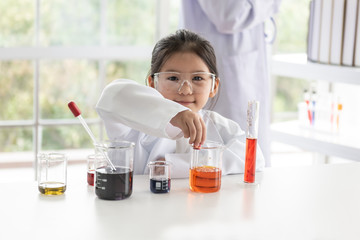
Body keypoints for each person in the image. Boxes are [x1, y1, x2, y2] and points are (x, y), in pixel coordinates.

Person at [96, 29, 264, 178]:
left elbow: (254, 157)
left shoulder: (220, 126)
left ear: (214, 86)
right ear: (152, 83)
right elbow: (111, 96)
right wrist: (173, 113)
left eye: (197, 78)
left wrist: (177, 164)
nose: (185, 90)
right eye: (173, 78)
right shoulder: (135, 123)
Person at [181, 0, 281, 166]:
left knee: (242, 156)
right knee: (224, 154)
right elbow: (229, 15)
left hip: (237, 63)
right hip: (224, 71)